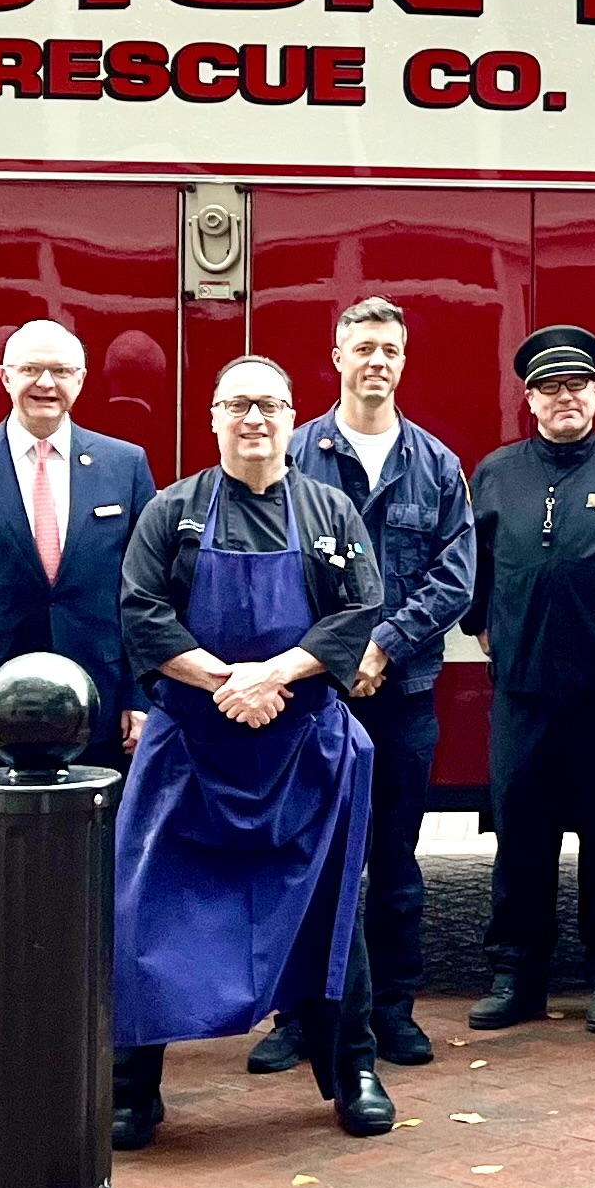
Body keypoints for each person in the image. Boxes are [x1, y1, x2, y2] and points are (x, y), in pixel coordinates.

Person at [110, 356, 399, 1145]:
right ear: (213, 416)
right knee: (144, 914)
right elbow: (141, 616)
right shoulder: (172, 514)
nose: (255, 420)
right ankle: (131, 1089)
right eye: (238, 404)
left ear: (291, 414)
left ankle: (355, 1074)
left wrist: (273, 674)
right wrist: (222, 682)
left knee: (334, 918)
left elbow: (360, 609)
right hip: (190, 754)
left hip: (304, 749)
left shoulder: (331, 512)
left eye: (270, 405)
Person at [261, 298, 475, 1075]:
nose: (376, 361)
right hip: (312, 696)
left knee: (396, 859)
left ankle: (393, 1013)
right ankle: (295, 1018)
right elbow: (278, 568)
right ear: (338, 357)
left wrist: (383, 644)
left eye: (390, 349)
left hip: (405, 693)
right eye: (363, 348)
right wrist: (336, 653)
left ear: (403, 362)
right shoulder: (297, 455)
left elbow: (456, 577)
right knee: (305, 857)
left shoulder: (437, 464)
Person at [463, 325, 595, 1035]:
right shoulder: (496, 472)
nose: (564, 397)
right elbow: (472, 563)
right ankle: (518, 973)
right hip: (522, 691)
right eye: (550, 387)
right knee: (521, 834)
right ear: (529, 399)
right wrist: (484, 619)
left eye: (577, 384)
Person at [0, 321, 155, 774]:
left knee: (96, 839)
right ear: (6, 376)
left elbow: (145, 589)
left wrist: (139, 694)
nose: (46, 383)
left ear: (81, 379)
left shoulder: (125, 464)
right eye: (31, 369)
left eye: (61, 370)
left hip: (101, 700)